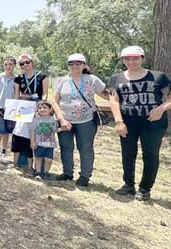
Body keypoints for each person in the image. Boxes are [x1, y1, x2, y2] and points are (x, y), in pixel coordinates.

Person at [109, 46, 171, 201]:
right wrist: (118, 122)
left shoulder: (158, 76)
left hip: (153, 122)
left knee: (150, 154)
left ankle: (145, 189)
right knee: (128, 154)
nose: (131, 61)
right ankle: (128, 185)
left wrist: (161, 108)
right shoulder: (116, 78)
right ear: (123, 60)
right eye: (127, 59)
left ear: (143, 58)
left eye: (135, 58)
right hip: (127, 121)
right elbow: (114, 101)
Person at [52, 53, 107, 186]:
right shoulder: (61, 81)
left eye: (78, 63)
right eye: (71, 64)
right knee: (66, 146)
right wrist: (61, 119)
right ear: (68, 66)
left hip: (86, 121)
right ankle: (67, 172)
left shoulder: (92, 80)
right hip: (65, 120)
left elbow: (106, 94)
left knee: (85, 148)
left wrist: (122, 101)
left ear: (84, 65)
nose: (75, 66)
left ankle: (85, 176)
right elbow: (54, 101)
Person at [12, 54, 49, 173]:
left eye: (27, 62)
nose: (25, 65)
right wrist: (14, 109)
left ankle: (38, 166)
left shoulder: (42, 76)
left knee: (35, 136)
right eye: (22, 64)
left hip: (37, 108)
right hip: (23, 109)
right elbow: (16, 95)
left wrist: (41, 108)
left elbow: (44, 94)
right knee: (22, 134)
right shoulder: (19, 78)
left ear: (32, 62)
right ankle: (22, 163)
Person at [0, 56, 17, 164]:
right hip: (0, 108)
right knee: (0, 132)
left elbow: (16, 94)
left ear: (14, 65)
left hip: (11, 109)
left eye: (10, 64)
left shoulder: (17, 79)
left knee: (7, 132)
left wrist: (15, 108)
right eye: (6, 64)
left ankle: (3, 153)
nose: (8, 66)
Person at [30, 101, 58, 180]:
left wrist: (63, 128)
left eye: (45, 108)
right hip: (39, 143)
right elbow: (32, 130)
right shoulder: (36, 120)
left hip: (50, 144)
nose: (42, 109)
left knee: (48, 159)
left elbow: (54, 130)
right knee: (38, 158)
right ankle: (38, 172)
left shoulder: (53, 120)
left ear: (50, 109)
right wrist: (32, 141)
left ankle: (46, 172)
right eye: (40, 108)